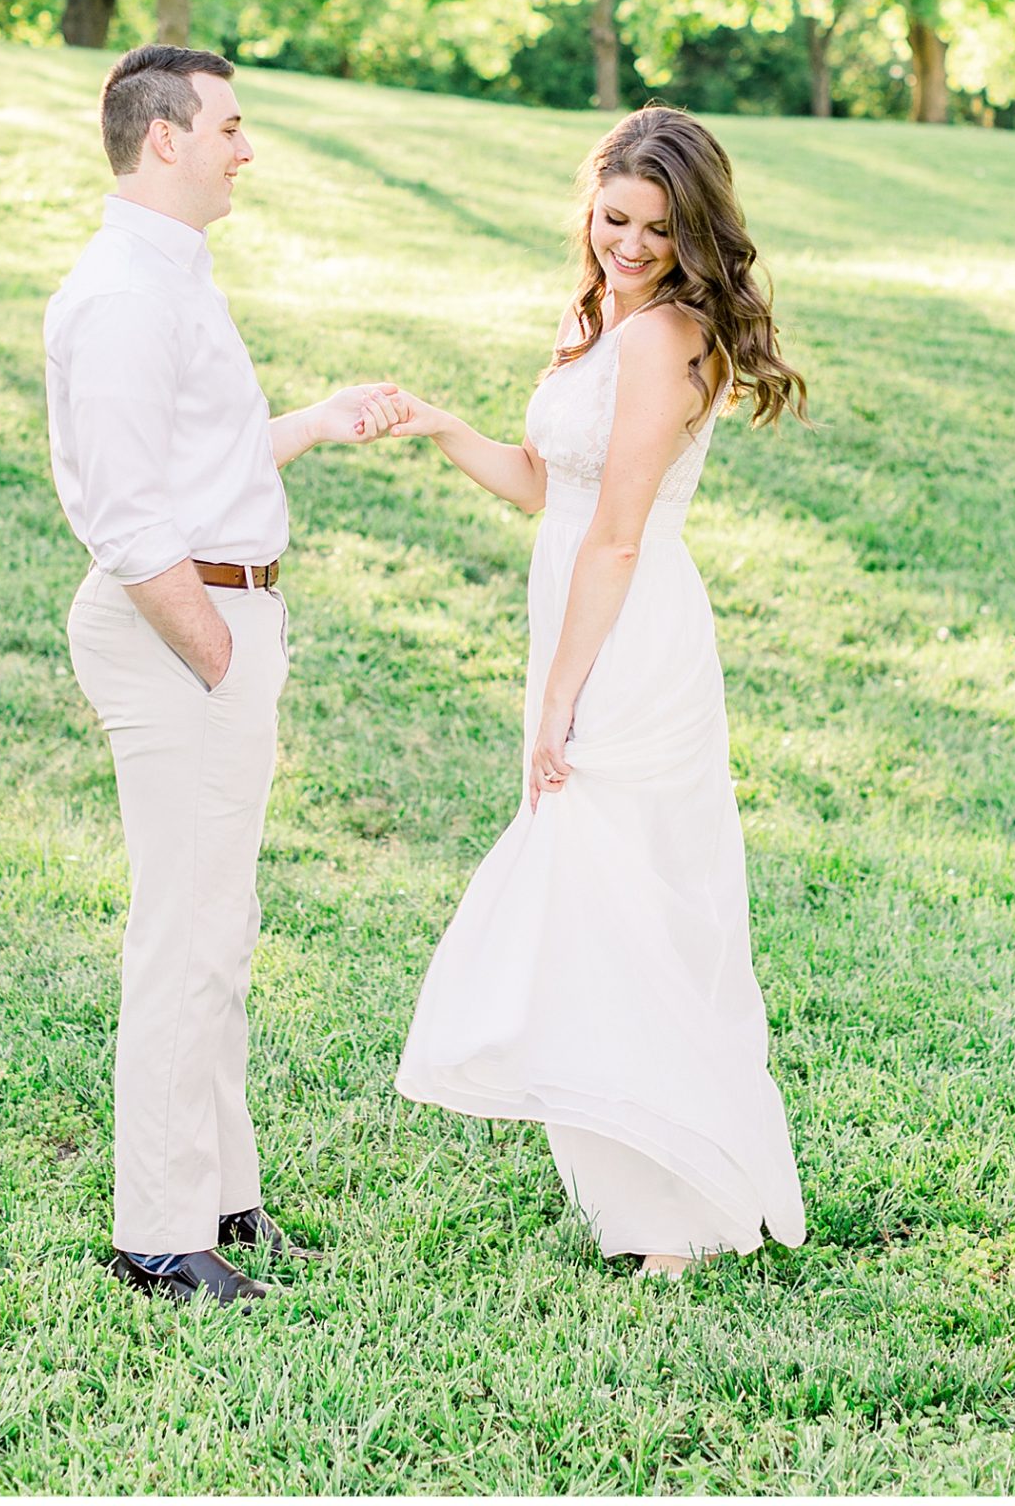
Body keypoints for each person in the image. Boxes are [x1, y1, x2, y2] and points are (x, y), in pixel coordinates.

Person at [393, 105, 808, 1276]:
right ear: (590, 205)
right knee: (598, 898)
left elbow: (616, 534)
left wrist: (562, 695)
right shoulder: (606, 321)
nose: (630, 243)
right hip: (580, 619)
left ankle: (671, 1212)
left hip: (625, 636)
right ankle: (642, 1192)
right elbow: (542, 486)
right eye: (614, 216)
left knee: (622, 900)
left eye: (660, 230)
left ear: (696, 236)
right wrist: (437, 424)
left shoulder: (666, 338)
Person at [45, 43, 408, 1307]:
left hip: (217, 625)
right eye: (232, 127)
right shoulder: (123, 295)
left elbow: (197, 458)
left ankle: (220, 1198)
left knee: (222, 930)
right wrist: (215, 650)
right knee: (184, 934)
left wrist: (312, 422)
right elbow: (134, 522)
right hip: (181, 634)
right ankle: (156, 1230)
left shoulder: (174, 280)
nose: (247, 149)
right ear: (164, 139)